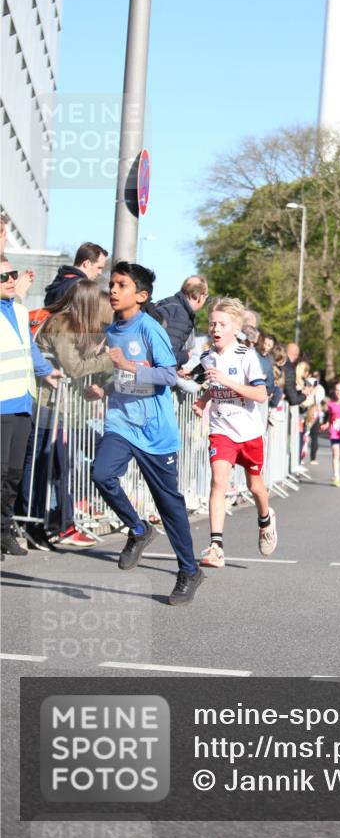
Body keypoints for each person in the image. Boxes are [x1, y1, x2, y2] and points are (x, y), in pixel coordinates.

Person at [90, 262, 203, 606]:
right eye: (112, 284)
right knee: (101, 474)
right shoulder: (112, 331)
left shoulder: (150, 329)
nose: (113, 290)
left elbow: (168, 377)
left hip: (155, 431)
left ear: (140, 296)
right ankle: (138, 529)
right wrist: (105, 388)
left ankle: (189, 570)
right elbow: (122, 378)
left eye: (121, 285)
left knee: (169, 506)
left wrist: (128, 366)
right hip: (122, 423)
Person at [19, 280, 113, 549]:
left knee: (55, 467)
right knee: (39, 467)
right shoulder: (62, 324)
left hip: (59, 408)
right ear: (87, 303)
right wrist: (108, 358)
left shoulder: (75, 326)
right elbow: (73, 367)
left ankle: (45, 523)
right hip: (46, 405)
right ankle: (33, 523)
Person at [194, 296, 277, 570]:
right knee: (218, 482)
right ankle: (216, 546)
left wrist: (227, 380)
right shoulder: (207, 358)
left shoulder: (247, 357)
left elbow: (261, 394)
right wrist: (204, 400)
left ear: (236, 329)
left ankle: (265, 520)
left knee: (255, 487)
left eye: (222, 324)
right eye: (212, 323)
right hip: (222, 431)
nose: (215, 329)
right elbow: (211, 384)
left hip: (249, 432)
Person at [1, 255, 62, 557]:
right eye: (4, 277)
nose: (11, 280)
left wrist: (46, 372)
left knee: (13, 474)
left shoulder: (21, 311)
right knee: (0, 473)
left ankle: (3, 530)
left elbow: (30, 348)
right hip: (1, 404)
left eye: (12, 274)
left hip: (24, 401)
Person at [155, 275, 209, 370]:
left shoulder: (168, 303)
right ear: (200, 296)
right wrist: (186, 356)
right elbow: (168, 358)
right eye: (206, 296)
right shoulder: (180, 315)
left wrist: (178, 370)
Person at [44, 242, 109, 306]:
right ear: (87, 263)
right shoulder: (81, 287)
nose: (100, 272)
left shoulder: (59, 281)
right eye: (99, 267)